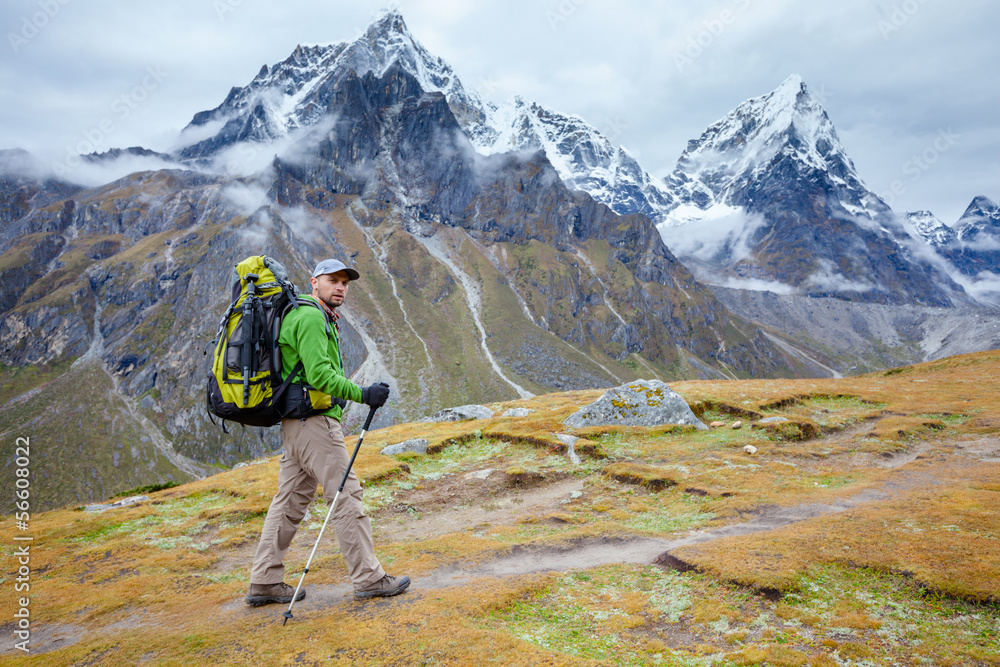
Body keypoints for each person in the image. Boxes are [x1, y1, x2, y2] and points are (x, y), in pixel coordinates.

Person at [245, 258, 410, 607]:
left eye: (345, 283)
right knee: (345, 495)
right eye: (332, 280)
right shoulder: (309, 317)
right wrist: (363, 394)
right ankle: (369, 578)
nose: (340, 287)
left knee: (288, 502)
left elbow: (313, 374)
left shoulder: (312, 315)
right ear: (314, 282)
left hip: (297, 425)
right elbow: (319, 375)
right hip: (315, 424)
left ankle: (264, 580)